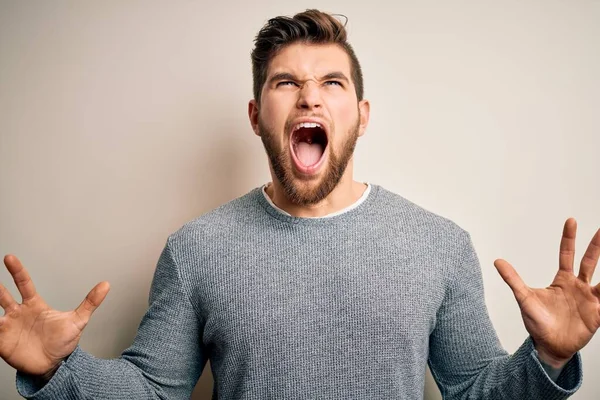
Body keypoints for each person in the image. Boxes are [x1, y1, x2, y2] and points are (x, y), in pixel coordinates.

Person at [1, 9, 598, 400]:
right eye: (286, 82)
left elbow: (475, 391)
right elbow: (153, 390)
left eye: (332, 83)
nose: (309, 97)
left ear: (360, 118)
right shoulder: (197, 249)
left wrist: (545, 357)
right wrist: (59, 370)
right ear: (258, 116)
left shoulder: (437, 245)